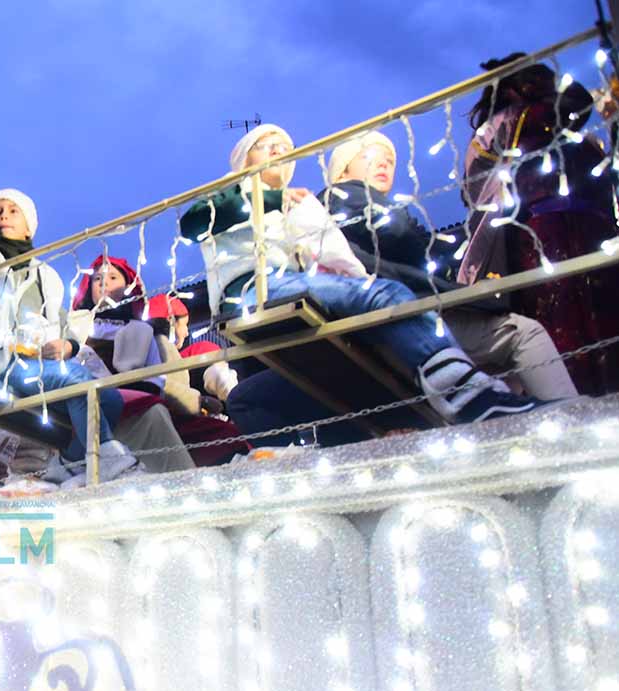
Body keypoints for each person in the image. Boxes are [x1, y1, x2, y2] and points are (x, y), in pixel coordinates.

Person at [180, 123, 539, 438]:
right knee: (382, 301)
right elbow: (192, 223)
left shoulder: (298, 202)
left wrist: (363, 285)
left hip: (291, 286)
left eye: (285, 147)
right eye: (266, 145)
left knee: (377, 314)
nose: (278, 151)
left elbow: (332, 252)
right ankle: (465, 394)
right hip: (250, 291)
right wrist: (271, 199)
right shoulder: (227, 195)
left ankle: (443, 397)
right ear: (244, 157)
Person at [324, 130, 578, 401]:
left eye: (389, 160)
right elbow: (399, 233)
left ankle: (519, 419)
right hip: (401, 312)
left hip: (395, 312)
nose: (384, 164)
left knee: (498, 371)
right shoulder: (345, 194)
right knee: (523, 334)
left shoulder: (346, 210)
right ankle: (571, 415)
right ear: (343, 169)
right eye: (370, 156)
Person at [0, 188, 138, 485]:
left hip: (41, 363)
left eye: (13, 211)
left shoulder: (45, 275)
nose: (4, 216)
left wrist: (67, 345)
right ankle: (107, 460)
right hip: (1, 363)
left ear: (29, 226)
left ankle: (67, 466)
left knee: (111, 399)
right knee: (77, 379)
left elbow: (63, 324)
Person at [460, 54, 619, 395]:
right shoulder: (511, 123)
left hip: (596, 236)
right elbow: (575, 101)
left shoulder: (571, 134)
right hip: (544, 237)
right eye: (538, 77)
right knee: (567, 328)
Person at [71, 257, 246, 469]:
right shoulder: (76, 330)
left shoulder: (143, 332)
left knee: (223, 436)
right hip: (104, 408)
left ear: (129, 287)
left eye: (113, 277)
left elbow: (158, 380)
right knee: (153, 416)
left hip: (151, 404)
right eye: (97, 278)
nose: (103, 283)